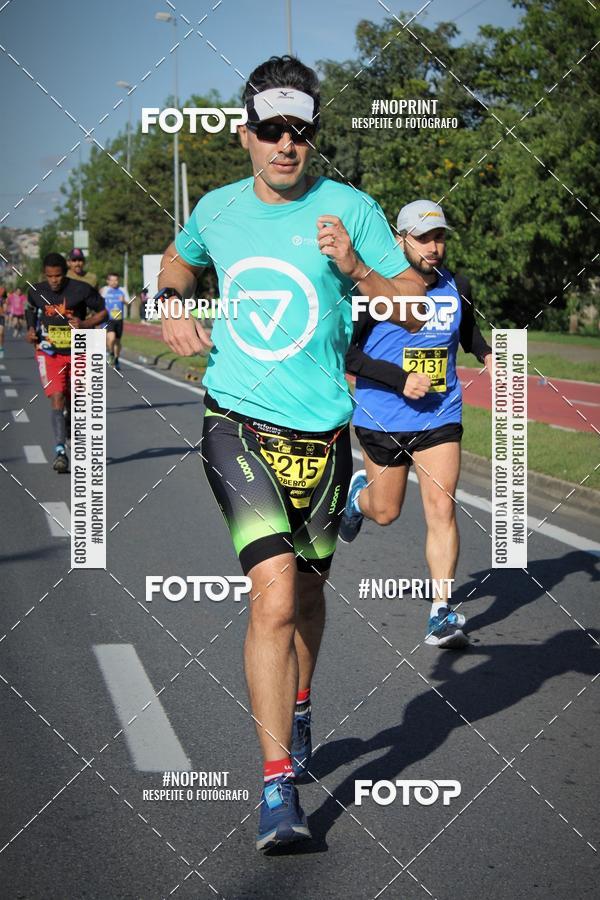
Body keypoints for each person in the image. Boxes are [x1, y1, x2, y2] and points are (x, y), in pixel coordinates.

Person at [156, 55, 425, 851]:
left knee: (307, 598)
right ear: (245, 134)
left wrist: (355, 267)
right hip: (236, 421)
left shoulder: (353, 209)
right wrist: (172, 299)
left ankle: (299, 705)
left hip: (323, 434)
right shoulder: (217, 208)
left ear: (313, 136)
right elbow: (180, 257)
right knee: (272, 597)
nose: (284, 144)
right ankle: (278, 791)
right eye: (270, 129)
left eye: (298, 130)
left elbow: (411, 307)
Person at [341, 199, 493, 649]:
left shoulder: (457, 285)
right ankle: (357, 496)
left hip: (440, 414)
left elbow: (466, 332)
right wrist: (400, 378)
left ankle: (440, 613)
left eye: (440, 237)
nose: (434, 247)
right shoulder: (374, 292)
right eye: (424, 238)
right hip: (381, 415)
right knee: (386, 513)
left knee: (442, 508)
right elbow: (349, 356)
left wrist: (487, 354)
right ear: (400, 240)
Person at [26, 252, 106, 472]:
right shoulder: (36, 291)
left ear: (65, 273)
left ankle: (70, 426)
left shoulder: (81, 289)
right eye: (50, 276)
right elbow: (31, 310)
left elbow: (103, 312)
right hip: (49, 352)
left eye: (58, 276)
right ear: (45, 274)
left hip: (78, 350)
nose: (54, 281)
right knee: (57, 397)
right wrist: (31, 329)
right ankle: (60, 451)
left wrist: (85, 323)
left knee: (76, 399)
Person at [100, 272, 129, 370]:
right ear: (107, 281)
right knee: (111, 338)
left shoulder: (122, 290)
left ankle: (116, 359)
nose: (113, 282)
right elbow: (99, 302)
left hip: (119, 319)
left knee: (117, 341)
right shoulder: (104, 290)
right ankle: (111, 353)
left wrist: (124, 300)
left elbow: (129, 303)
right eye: (111, 280)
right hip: (108, 319)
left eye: (115, 280)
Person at [0, 285, 6, 358]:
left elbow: (5, 302)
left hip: (1, 315)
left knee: (1, 333)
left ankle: (1, 348)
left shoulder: (2, 290)